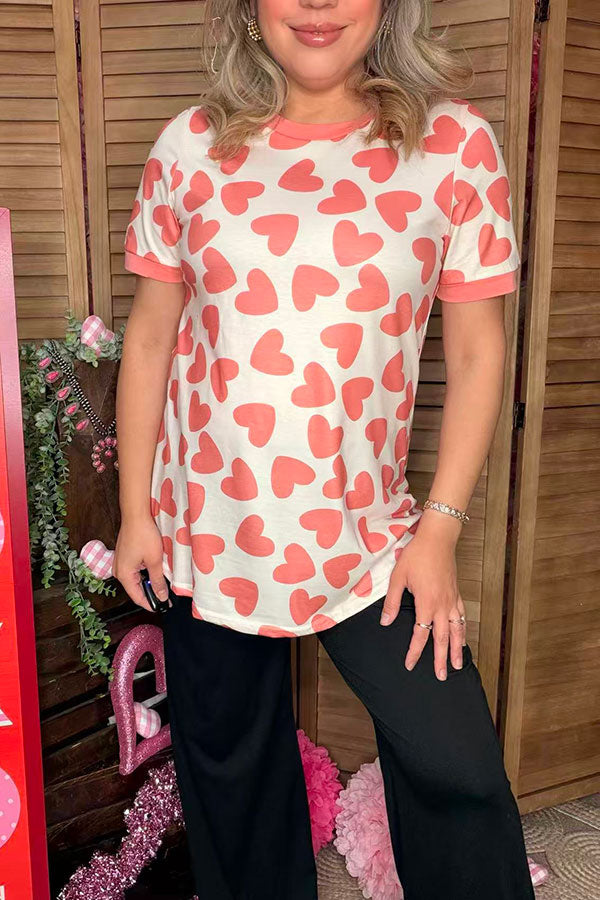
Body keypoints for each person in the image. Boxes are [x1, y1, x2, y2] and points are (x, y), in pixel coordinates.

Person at [113, 0, 534, 897]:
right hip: (207, 532)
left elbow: (477, 352)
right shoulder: (189, 147)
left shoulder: (454, 147)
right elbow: (150, 338)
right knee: (231, 771)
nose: (315, 4)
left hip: (372, 536)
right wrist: (136, 513)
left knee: (456, 763)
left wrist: (440, 529)